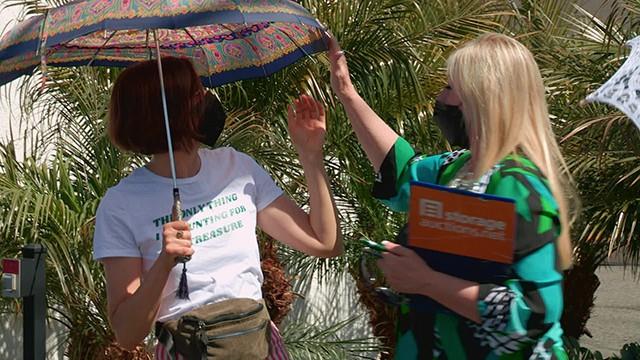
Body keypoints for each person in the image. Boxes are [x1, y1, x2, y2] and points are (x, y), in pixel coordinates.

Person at [327, 33, 576, 359]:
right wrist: (347, 93)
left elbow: (536, 311)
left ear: (482, 99)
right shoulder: (454, 168)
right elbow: (400, 171)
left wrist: (427, 281)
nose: (440, 98)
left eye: (449, 88)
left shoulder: (522, 189)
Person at [93, 57, 342, 359]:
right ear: (173, 112)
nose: (208, 99)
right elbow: (127, 332)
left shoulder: (236, 167)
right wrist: (164, 262)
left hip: (258, 346)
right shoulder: (120, 204)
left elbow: (323, 242)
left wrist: (311, 154)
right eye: (197, 93)